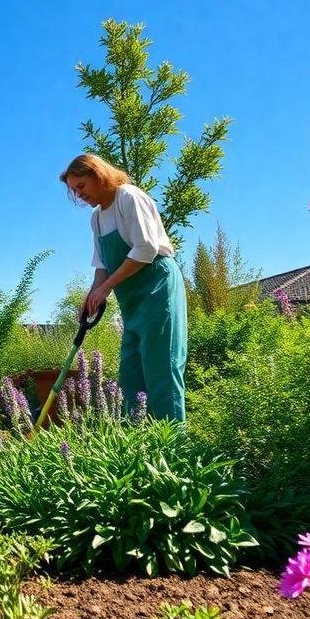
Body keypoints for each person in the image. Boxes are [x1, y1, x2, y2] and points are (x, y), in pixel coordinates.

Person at [59, 153, 187, 422]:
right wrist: (92, 296)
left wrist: (105, 288)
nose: (79, 194)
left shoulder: (128, 197)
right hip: (131, 301)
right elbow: (102, 264)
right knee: (131, 375)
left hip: (157, 288)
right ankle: (138, 441)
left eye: (81, 186)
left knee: (161, 368)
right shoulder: (96, 219)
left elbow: (145, 249)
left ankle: (173, 442)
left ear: (98, 174)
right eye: (74, 191)